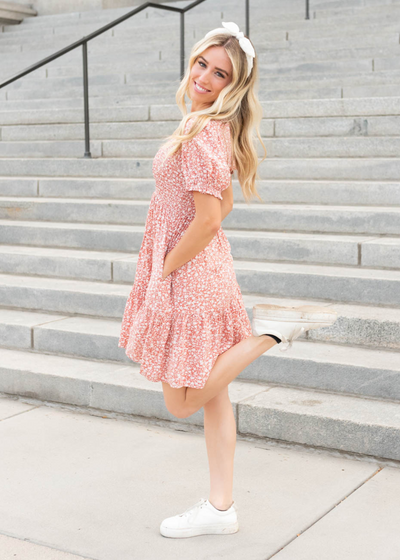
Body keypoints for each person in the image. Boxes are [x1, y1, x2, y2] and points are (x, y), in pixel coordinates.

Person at [118, 21, 338, 539]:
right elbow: (226, 203)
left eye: (221, 74)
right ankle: (221, 508)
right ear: (192, 62)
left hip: (189, 276)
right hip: (203, 268)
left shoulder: (200, 134)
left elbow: (211, 219)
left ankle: (273, 333)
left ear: (233, 86)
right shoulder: (206, 127)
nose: (206, 77)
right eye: (203, 65)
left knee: (181, 402)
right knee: (213, 395)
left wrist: (165, 267)